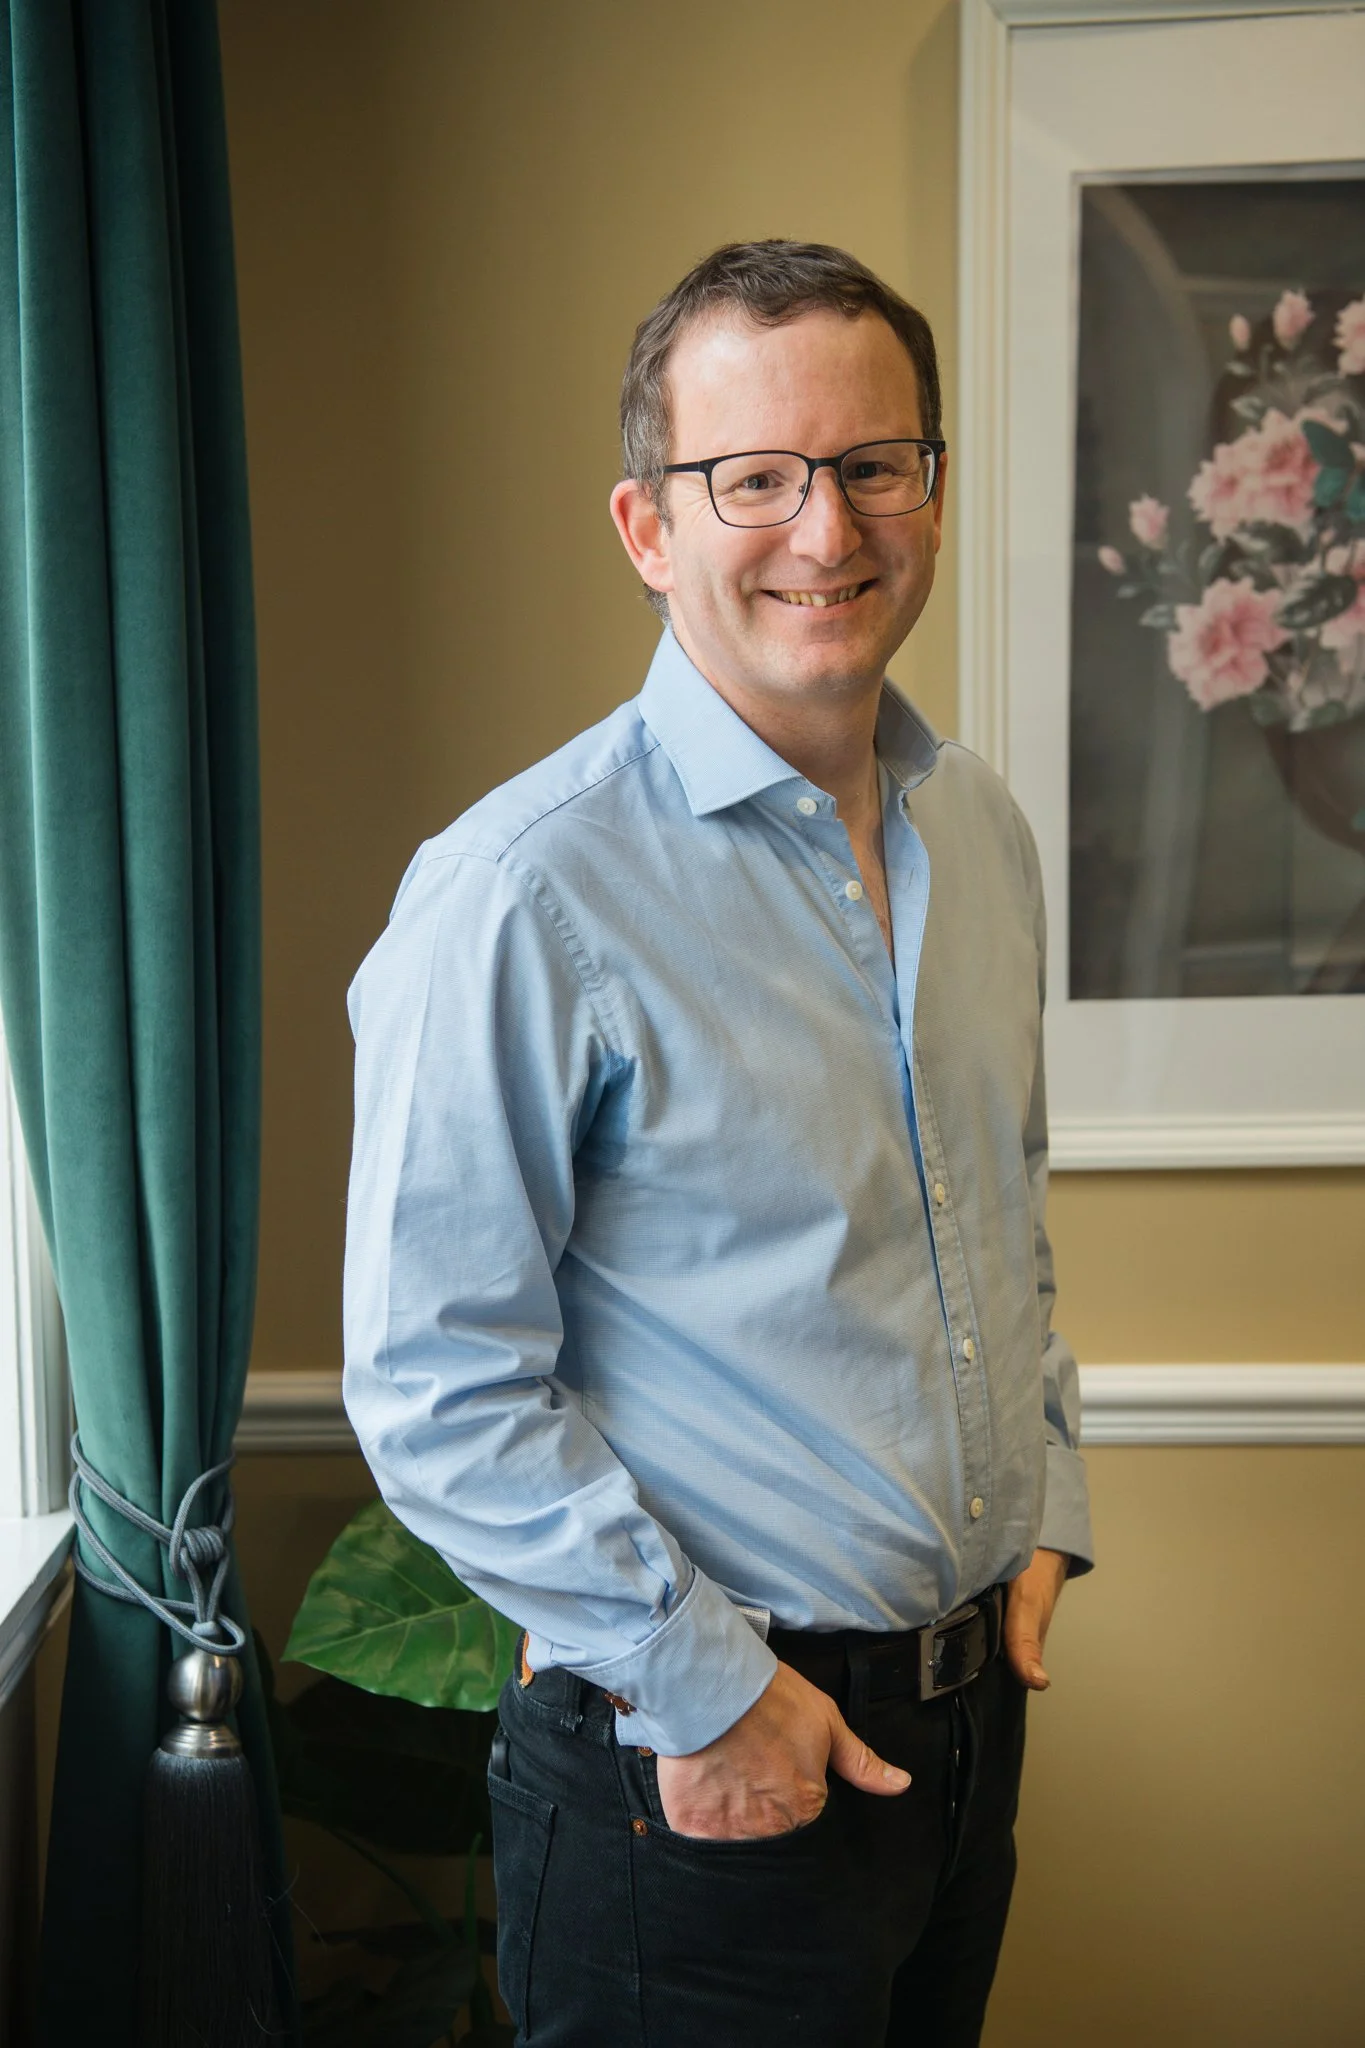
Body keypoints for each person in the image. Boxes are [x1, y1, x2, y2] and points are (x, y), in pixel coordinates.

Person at [343, 239, 1093, 2048]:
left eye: (870, 467)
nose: (823, 531)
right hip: (689, 1775)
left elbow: (1000, 1212)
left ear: (930, 490)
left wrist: (1045, 1505)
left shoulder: (977, 833)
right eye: (751, 478)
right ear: (646, 526)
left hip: (961, 1740)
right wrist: (710, 1697)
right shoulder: (523, 892)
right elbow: (432, 1380)